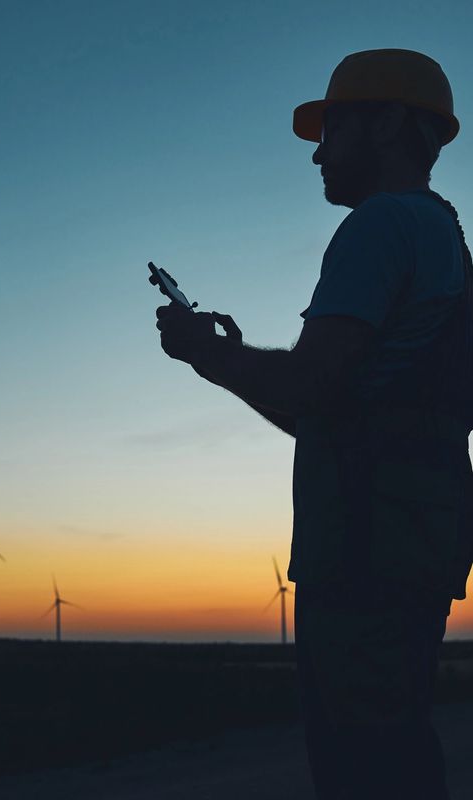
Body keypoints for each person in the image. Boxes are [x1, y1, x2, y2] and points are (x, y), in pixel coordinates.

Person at [155, 48, 473, 799]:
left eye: (332, 132)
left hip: (363, 549)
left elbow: (310, 384)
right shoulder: (445, 239)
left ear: (389, 124)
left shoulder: (380, 224)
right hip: (414, 541)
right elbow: (333, 414)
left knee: (363, 769)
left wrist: (202, 349)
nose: (319, 155)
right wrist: (222, 364)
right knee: (396, 754)